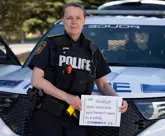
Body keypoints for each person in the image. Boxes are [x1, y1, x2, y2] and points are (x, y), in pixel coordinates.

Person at [28, 3, 128, 136]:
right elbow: (36, 80)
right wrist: (67, 97)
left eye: (78, 18)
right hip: (48, 115)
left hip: (79, 118)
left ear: (84, 20)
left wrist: (117, 100)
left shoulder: (92, 50)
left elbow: (103, 84)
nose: (74, 22)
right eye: (69, 18)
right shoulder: (50, 44)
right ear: (63, 20)